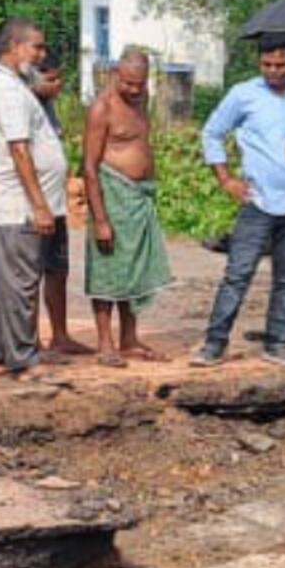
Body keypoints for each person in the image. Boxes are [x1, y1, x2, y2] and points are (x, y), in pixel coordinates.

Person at [192, 36, 285, 367]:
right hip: (258, 201)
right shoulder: (243, 95)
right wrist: (226, 179)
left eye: (280, 65)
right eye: (267, 65)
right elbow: (212, 132)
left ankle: (277, 342)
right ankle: (214, 343)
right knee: (238, 274)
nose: (273, 71)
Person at [0, 21, 62, 377]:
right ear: (13, 46)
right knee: (20, 282)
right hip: (18, 204)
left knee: (2, 282)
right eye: (35, 47)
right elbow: (19, 150)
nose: (41, 55)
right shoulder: (10, 92)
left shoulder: (12, 84)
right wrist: (39, 205)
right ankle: (23, 357)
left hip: (8, 204)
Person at [82, 48, 171, 365]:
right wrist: (101, 219)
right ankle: (105, 343)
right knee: (108, 269)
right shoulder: (102, 109)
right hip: (112, 196)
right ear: (115, 75)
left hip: (138, 197)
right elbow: (89, 166)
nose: (134, 89)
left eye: (139, 84)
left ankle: (129, 339)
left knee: (134, 269)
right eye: (128, 83)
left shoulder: (142, 100)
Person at [26, 48, 88, 356]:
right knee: (30, 274)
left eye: (59, 79)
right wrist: (38, 204)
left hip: (57, 204)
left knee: (57, 270)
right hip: (34, 206)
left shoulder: (49, 107)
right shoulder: (24, 106)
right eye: (49, 80)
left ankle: (60, 335)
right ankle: (30, 339)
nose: (57, 85)